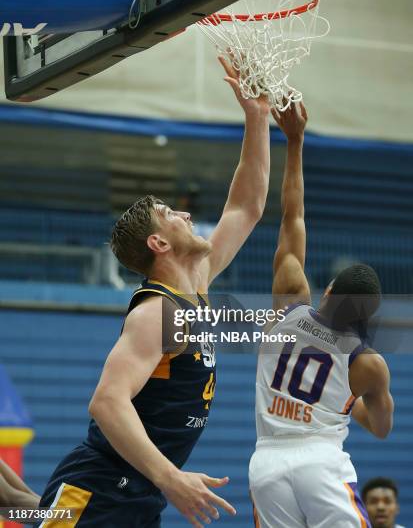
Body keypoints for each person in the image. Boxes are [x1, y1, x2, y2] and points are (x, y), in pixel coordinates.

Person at [36, 56, 271, 528]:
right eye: (171, 214)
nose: (186, 215)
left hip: (134, 496)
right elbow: (106, 402)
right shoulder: (158, 314)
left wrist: (257, 118)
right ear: (159, 243)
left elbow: (246, 206)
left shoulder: (197, 289)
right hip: (95, 493)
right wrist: (170, 476)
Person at [249, 100, 394, 527]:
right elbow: (381, 427)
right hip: (321, 461)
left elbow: (292, 215)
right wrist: (347, 404)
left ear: (327, 290)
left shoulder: (289, 302)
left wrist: (294, 141)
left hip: (266, 462)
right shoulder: (368, 365)